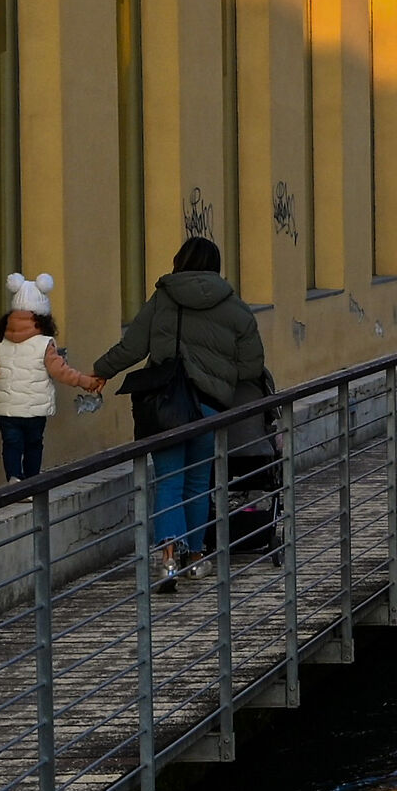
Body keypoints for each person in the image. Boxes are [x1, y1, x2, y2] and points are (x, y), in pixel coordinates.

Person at [90, 238, 265, 589]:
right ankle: (197, 558)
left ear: (179, 260)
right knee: (199, 484)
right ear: (215, 263)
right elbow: (251, 365)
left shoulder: (164, 298)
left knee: (168, 481)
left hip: (168, 405)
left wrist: (101, 370)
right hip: (210, 407)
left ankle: (168, 560)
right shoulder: (234, 306)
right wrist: (219, 375)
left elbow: (133, 346)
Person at [0, 273, 100, 481]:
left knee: (11, 443)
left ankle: (13, 478)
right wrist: (86, 382)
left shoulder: (0, 343)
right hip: (34, 408)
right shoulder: (44, 343)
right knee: (33, 444)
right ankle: (31, 482)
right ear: (43, 316)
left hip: (7, 408)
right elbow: (61, 372)